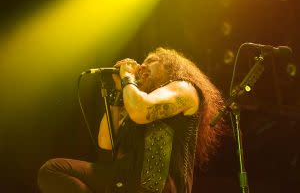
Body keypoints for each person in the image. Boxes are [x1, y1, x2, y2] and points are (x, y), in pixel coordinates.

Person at [37, 48, 225, 193]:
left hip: (157, 186)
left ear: (170, 65)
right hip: (125, 180)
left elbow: (141, 111)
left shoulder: (183, 87)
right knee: (53, 171)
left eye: (151, 61)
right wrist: (119, 93)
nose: (142, 66)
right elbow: (106, 143)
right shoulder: (137, 98)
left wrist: (127, 77)